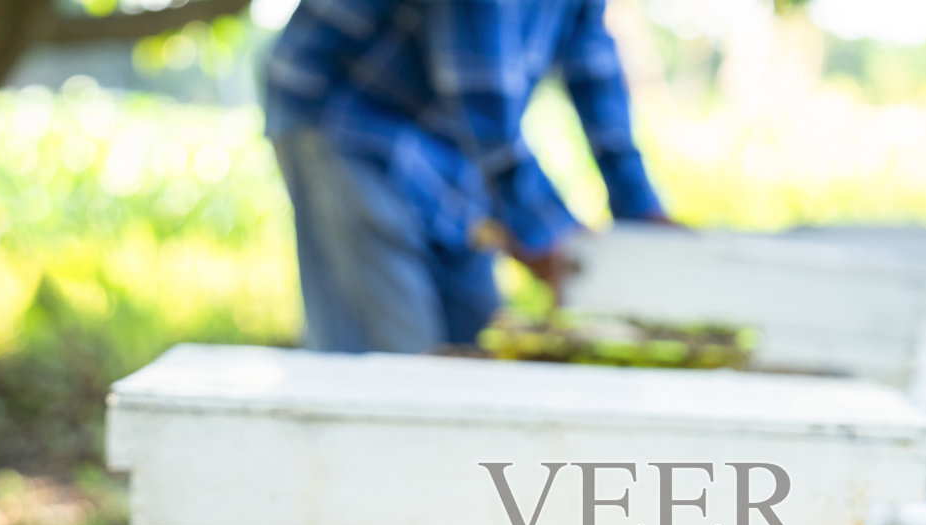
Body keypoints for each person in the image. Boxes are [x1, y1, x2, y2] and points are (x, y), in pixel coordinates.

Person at [265, 0, 669, 354]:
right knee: (393, 361)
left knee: (473, 341)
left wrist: (640, 208)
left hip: (446, 132)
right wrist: (540, 229)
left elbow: (591, 61)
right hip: (345, 116)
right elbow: (480, 93)